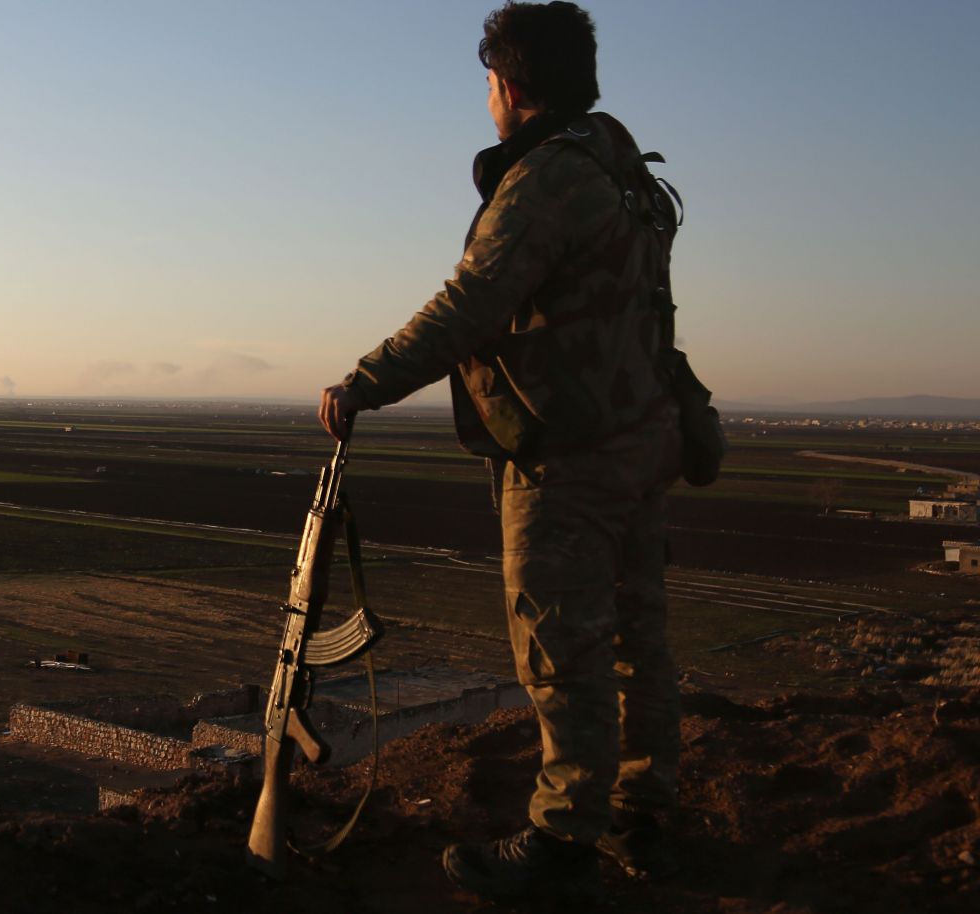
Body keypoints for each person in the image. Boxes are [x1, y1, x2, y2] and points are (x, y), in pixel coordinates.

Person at [318, 1, 683, 903]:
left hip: (569, 455)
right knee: (637, 639)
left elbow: (470, 305)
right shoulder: (621, 167)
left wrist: (363, 382)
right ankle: (644, 813)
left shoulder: (550, 179)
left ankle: (563, 840)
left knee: (562, 651)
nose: (487, 98)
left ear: (511, 87)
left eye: (488, 82)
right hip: (638, 437)